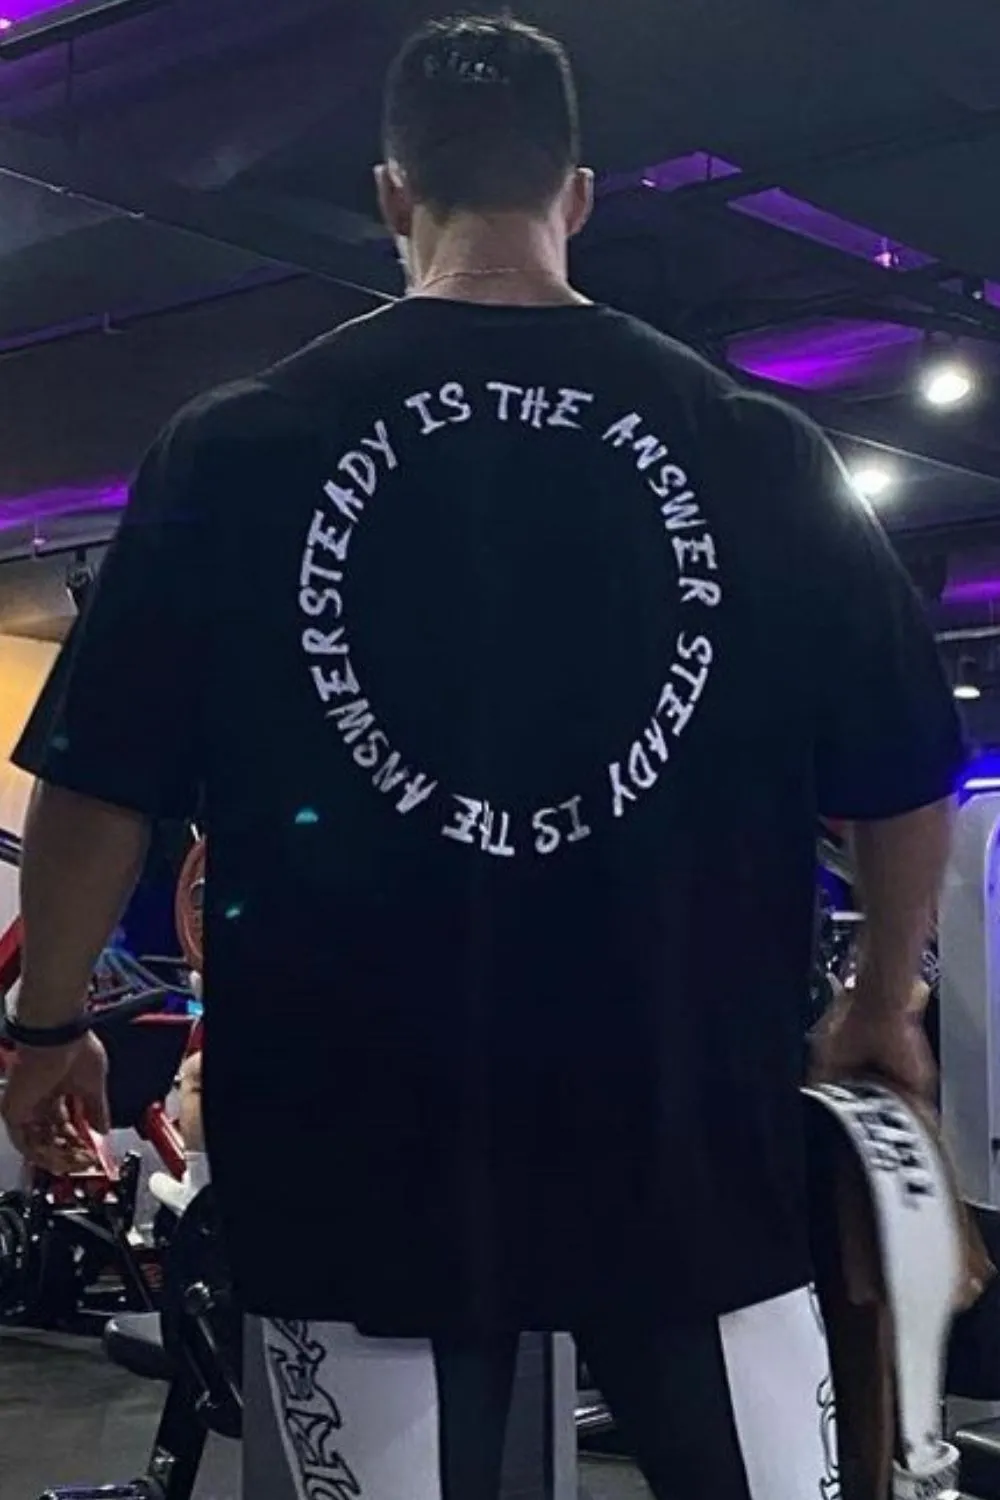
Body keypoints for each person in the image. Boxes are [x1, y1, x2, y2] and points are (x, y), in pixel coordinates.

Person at [0, 13, 962, 1499]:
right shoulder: (753, 444)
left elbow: (98, 784)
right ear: (577, 193)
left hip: (355, 1144)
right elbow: (903, 771)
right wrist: (883, 1001)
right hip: (687, 1129)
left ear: (393, 193)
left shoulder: (238, 447)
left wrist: (47, 1020)